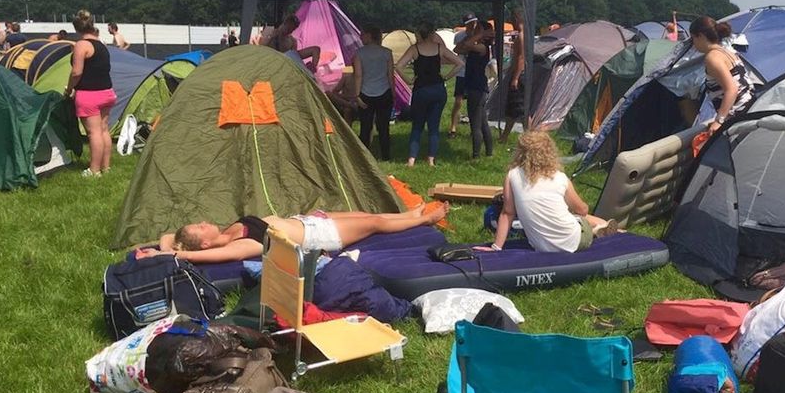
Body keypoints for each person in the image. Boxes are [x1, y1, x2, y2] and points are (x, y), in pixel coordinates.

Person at [135, 204, 448, 264]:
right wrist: (174, 255)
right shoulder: (240, 246)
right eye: (200, 227)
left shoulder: (228, 231)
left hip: (307, 220)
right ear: (204, 243)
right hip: (318, 236)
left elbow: (166, 235)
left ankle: (410, 214)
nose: (204, 221)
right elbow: (191, 252)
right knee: (376, 222)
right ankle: (423, 221)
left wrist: (163, 249)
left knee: (368, 213)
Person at [482, 131, 617, 254]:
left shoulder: (512, 175)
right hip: (576, 242)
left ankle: (602, 227)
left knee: (569, 214)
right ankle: (600, 228)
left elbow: (507, 213)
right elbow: (581, 210)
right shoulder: (560, 178)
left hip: (542, 246)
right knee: (580, 216)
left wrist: (496, 247)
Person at [396, 23, 464, 166]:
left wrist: (409, 80)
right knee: (434, 126)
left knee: (417, 126)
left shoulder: (415, 49)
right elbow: (459, 63)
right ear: (432, 34)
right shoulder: (440, 48)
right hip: (438, 89)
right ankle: (431, 159)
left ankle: (411, 159)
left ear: (418, 35)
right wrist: (446, 77)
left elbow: (399, 66)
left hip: (421, 89)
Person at [65, 10, 116, 177]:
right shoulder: (101, 45)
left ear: (77, 28)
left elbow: (76, 72)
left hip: (89, 95)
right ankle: (106, 167)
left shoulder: (81, 45)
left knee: (93, 133)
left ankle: (94, 170)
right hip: (107, 92)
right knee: (103, 130)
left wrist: (69, 88)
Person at [689, 16, 754, 135]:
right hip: (749, 107)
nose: (693, 44)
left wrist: (719, 121)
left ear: (701, 36)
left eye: (693, 38)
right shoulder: (727, 52)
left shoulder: (712, 58)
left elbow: (732, 89)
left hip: (738, 115)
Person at [354, 24, 395, 161]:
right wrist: (393, 93)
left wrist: (357, 95)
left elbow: (358, 75)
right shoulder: (387, 52)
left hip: (365, 93)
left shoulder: (359, 53)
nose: (361, 36)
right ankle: (386, 156)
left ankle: (364, 158)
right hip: (384, 92)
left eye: (363, 34)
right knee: (383, 127)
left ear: (369, 36)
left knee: (365, 127)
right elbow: (390, 75)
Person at [455, 20, 494, 158]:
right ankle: (489, 152)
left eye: (477, 29)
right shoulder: (476, 45)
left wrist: (479, 34)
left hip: (477, 88)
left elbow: (467, 45)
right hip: (476, 87)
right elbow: (457, 49)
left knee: (475, 123)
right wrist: (472, 34)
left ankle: (476, 155)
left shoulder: (483, 47)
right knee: (482, 122)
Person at [499, 10, 526, 143]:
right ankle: (504, 137)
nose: (512, 22)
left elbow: (521, 58)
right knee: (512, 108)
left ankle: (529, 137)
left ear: (518, 19)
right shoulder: (523, 35)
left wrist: (515, 77)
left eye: (513, 19)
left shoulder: (522, 36)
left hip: (519, 75)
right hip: (517, 73)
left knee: (521, 109)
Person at [448, 13, 476, 136]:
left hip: (474, 72)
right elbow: (456, 50)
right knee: (458, 101)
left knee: (474, 102)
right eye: (469, 24)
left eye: (473, 23)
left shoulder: (479, 35)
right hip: (462, 71)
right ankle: (453, 126)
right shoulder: (460, 36)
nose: (472, 25)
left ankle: (473, 128)